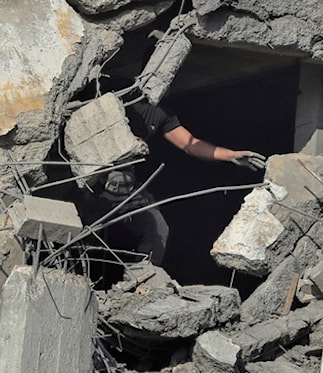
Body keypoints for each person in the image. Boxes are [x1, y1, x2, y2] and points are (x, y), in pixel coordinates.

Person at [83, 98, 265, 267]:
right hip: (94, 176)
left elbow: (189, 144)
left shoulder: (162, 113)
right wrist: (126, 141)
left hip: (127, 186)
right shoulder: (120, 94)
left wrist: (231, 155)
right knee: (85, 226)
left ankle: (142, 281)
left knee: (158, 230)